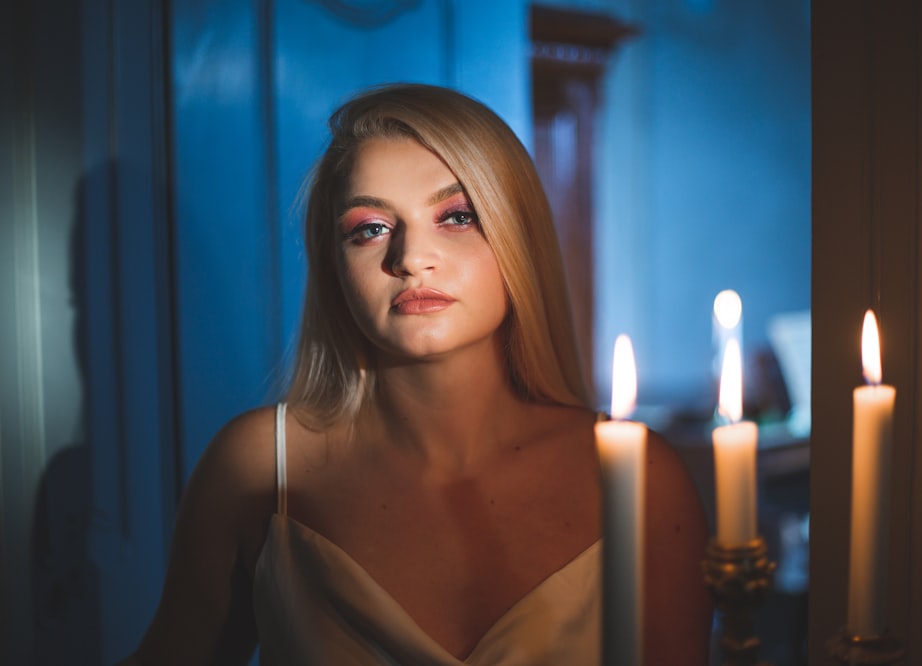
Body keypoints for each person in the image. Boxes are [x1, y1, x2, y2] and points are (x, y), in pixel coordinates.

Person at [123, 83, 711, 665]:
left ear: (520, 236)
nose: (409, 258)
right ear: (336, 268)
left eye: (456, 216)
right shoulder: (257, 467)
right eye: (370, 228)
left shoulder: (641, 476)